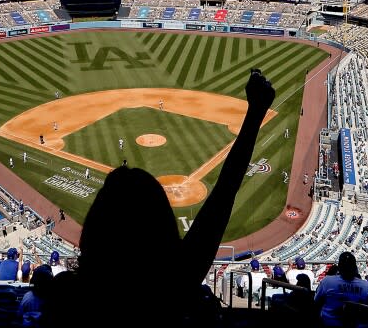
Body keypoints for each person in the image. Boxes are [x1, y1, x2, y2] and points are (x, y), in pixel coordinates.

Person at [41, 69, 275, 328]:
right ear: (161, 222)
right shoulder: (177, 280)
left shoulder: (65, 293)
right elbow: (224, 192)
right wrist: (255, 112)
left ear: (97, 224)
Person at [314, 251, 368, 327]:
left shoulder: (327, 281)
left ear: (339, 267)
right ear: (355, 268)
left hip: (329, 323)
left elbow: (317, 301)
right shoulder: (367, 286)